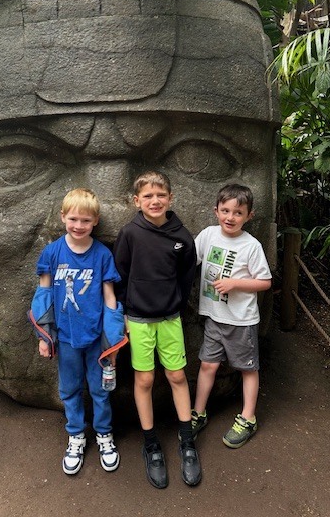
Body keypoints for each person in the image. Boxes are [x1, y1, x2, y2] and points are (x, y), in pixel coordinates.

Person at [28, 188, 126, 475]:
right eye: (73, 219)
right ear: (63, 217)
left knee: (100, 389)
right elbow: (43, 293)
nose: (78, 225)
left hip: (96, 338)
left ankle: (104, 435)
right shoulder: (52, 252)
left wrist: (113, 340)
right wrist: (44, 336)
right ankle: (76, 436)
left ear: (95, 221)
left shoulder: (102, 255)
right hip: (67, 337)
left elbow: (110, 298)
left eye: (85, 220)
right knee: (69, 389)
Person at [113, 171, 201, 489]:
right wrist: (122, 312)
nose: (154, 200)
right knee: (145, 379)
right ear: (137, 201)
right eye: (147, 196)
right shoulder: (130, 234)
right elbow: (119, 274)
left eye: (160, 195)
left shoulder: (182, 237)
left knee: (177, 375)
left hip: (170, 319)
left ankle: (187, 440)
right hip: (137, 319)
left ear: (170, 198)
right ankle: (151, 443)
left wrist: (174, 302)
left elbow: (186, 276)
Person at [191, 184, 272, 448]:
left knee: (247, 367)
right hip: (214, 316)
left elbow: (265, 282)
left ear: (249, 216)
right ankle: (198, 412)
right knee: (208, 364)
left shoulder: (251, 245)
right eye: (225, 210)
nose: (230, 217)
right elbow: (189, 260)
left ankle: (248, 417)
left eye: (238, 212)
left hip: (241, 320)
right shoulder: (208, 235)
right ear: (216, 211)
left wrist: (236, 283)